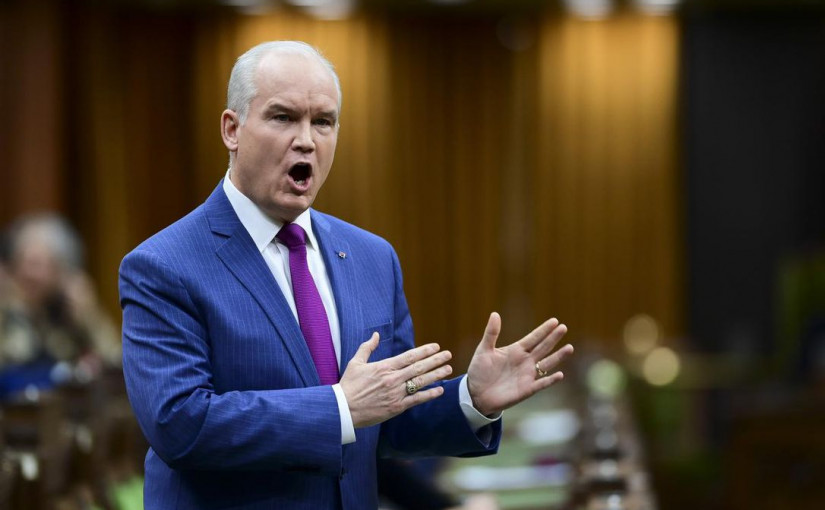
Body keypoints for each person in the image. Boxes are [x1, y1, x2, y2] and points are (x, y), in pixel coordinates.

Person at [119, 41, 574, 510]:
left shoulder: (372, 258)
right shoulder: (163, 266)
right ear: (232, 130)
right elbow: (181, 425)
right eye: (283, 117)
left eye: (323, 122)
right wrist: (340, 407)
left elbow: (386, 419)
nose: (306, 140)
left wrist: (471, 399)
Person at [0, 213, 121, 398]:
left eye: (36, 264)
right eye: (22, 262)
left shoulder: (72, 311)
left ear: (61, 270)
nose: (28, 273)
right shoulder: (6, 309)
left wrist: (89, 317)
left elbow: (115, 362)